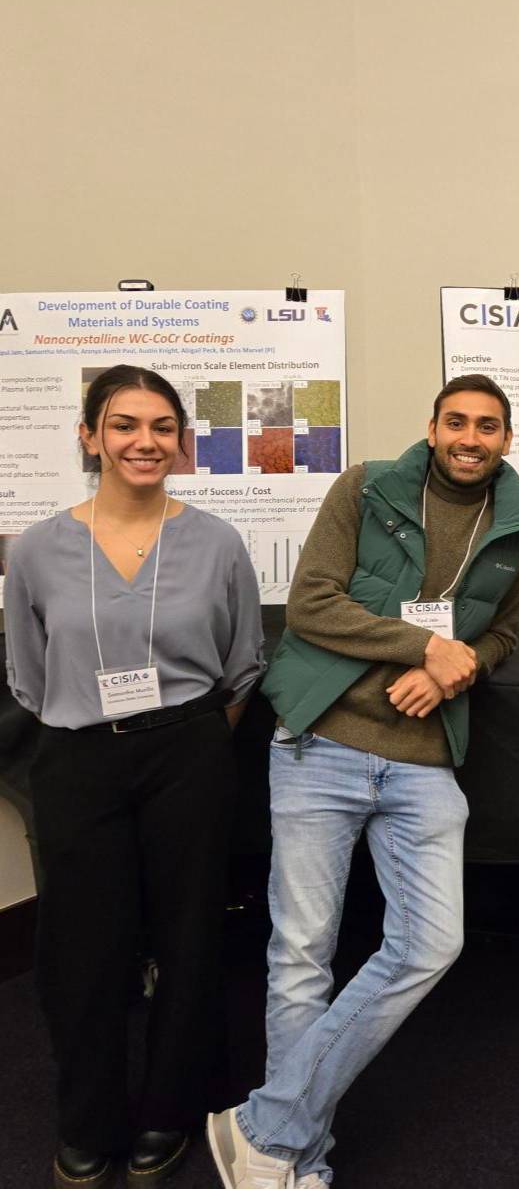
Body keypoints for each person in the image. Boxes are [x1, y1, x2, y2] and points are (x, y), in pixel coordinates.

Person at [208, 373, 519, 1189]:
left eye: (488, 426)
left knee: (433, 940)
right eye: (457, 421)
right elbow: (311, 604)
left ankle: (263, 1126)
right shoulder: (365, 486)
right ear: (431, 427)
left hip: (424, 752)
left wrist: (455, 672)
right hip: (320, 738)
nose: (471, 437)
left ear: (507, 438)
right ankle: (296, 1158)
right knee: (301, 952)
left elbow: (501, 634)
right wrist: (421, 646)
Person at [4, 365, 265, 1189]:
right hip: (79, 754)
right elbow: (25, 672)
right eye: (123, 425)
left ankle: (168, 1109)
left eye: (161, 426)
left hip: (188, 749)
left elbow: (242, 662)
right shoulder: (38, 548)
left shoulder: (218, 541)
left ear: (181, 442)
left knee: (190, 935)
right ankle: (88, 1117)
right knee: (82, 946)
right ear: (90, 436)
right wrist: (98, 725)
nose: (143, 441)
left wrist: (183, 735)